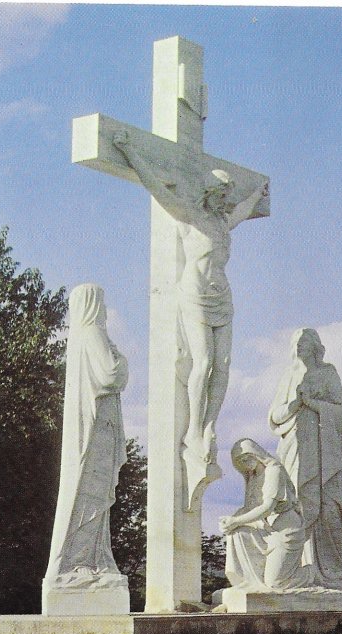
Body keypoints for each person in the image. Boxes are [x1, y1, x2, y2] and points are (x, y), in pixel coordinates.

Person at [113, 130, 268, 463]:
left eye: (229, 196)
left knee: (223, 365)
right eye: (223, 194)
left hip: (222, 295)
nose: (227, 200)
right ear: (209, 193)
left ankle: (210, 424)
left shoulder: (223, 223)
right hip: (195, 293)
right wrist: (129, 151)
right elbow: (155, 186)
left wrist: (256, 195)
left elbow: (243, 210)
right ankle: (194, 429)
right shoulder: (189, 217)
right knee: (205, 362)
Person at [44, 283, 129, 587]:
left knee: (93, 497)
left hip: (96, 428)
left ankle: (92, 559)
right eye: (102, 303)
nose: (105, 310)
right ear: (94, 305)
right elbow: (111, 374)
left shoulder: (83, 336)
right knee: (91, 496)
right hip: (96, 433)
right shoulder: (93, 333)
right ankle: (79, 562)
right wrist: (122, 360)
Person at [268, 328, 342, 590]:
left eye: (304, 342)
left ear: (316, 346)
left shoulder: (328, 373)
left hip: (324, 452)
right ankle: (296, 571)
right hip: (295, 448)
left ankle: (330, 571)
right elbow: (274, 416)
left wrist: (314, 404)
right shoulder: (288, 375)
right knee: (299, 506)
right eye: (295, 343)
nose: (298, 347)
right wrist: (295, 404)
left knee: (327, 507)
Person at [219, 439, 313, 591]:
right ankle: (248, 582)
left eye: (246, 458)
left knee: (275, 583)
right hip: (267, 529)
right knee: (236, 533)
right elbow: (250, 509)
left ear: (255, 453)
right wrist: (230, 522)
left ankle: (313, 574)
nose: (245, 463)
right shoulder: (253, 478)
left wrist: (236, 520)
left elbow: (267, 508)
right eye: (240, 462)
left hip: (286, 530)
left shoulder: (274, 470)